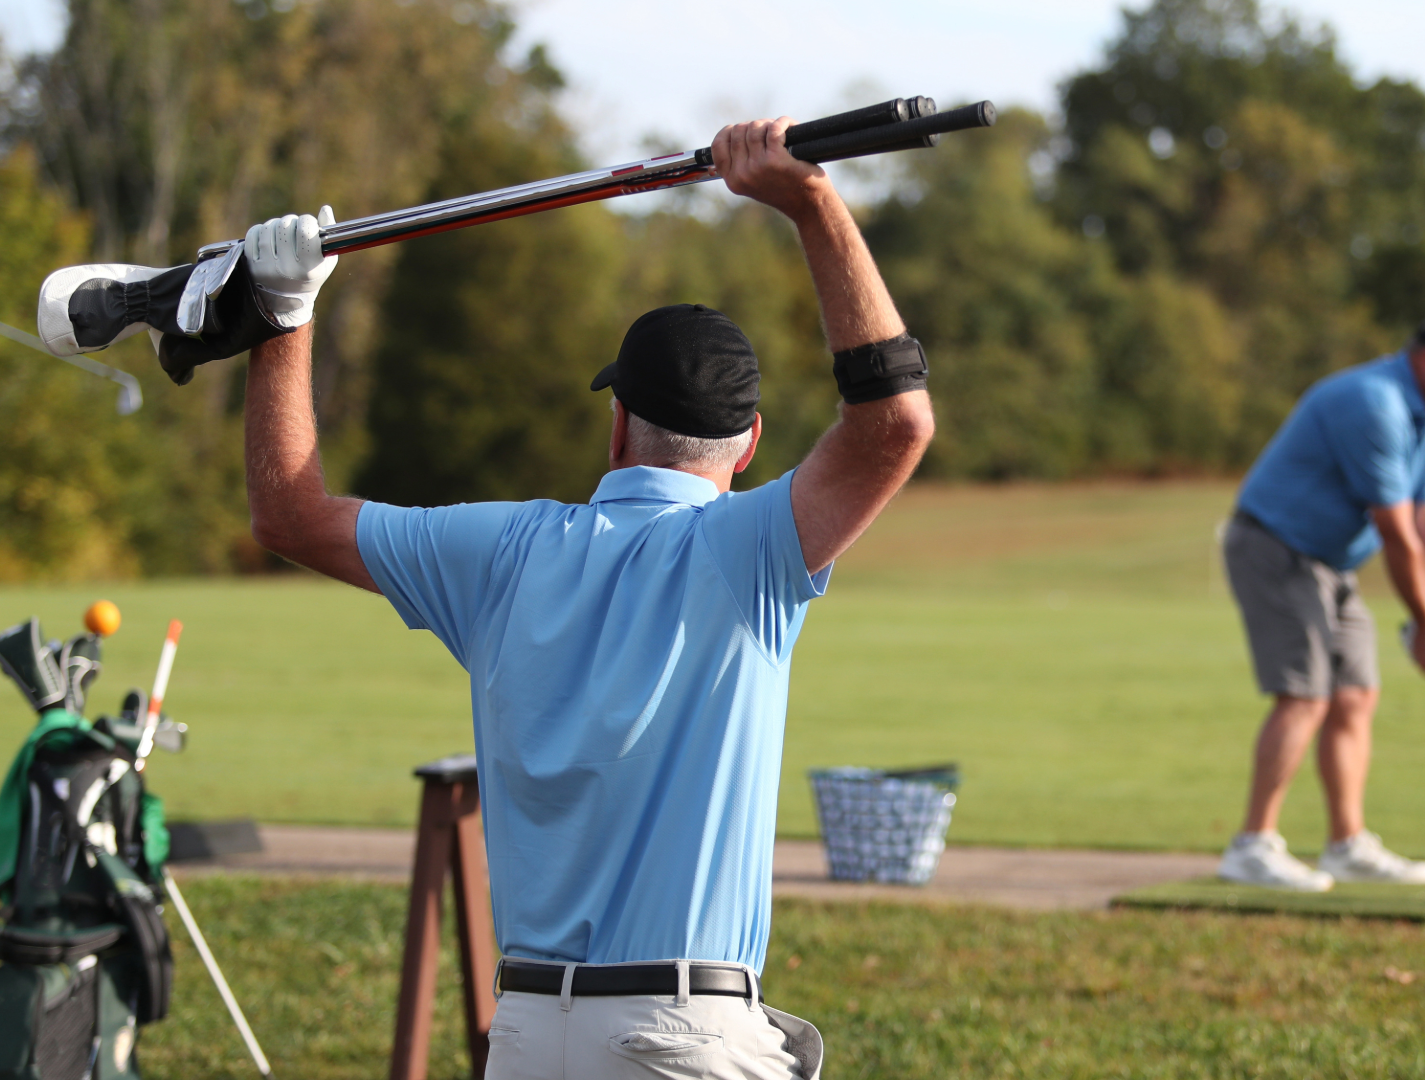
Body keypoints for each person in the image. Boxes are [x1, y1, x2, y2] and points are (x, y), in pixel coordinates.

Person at [237, 118, 936, 1079]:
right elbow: (895, 424)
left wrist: (283, 321)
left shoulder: (498, 549)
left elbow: (288, 512)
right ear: (748, 445)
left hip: (526, 1036)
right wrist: (808, 201)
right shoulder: (753, 549)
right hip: (682, 1034)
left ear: (617, 428)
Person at [1216, 312, 1425, 892]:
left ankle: (1346, 845)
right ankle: (1251, 846)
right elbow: (1397, 532)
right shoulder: (1373, 403)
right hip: (1274, 546)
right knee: (1303, 696)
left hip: (1332, 563)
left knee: (1355, 695)